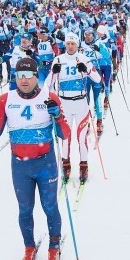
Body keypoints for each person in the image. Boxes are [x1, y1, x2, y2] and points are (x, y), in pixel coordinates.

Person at [0, 57, 70, 260]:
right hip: (20, 166)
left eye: (28, 75)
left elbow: (64, 134)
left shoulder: (49, 98)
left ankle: (53, 247)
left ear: (36, 76)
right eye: (19, 76)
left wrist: (58, 116)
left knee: (50, 206)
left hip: (46, 164)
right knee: (25, 210)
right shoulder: (6, 99)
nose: (23, 80)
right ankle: (29, 247)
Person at [47, 32, 101, 184]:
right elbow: (48, 84)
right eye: (68, 43)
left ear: (77, 44)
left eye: (73, 44)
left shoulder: (84, 58)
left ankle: (83, 165)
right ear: (65, 44)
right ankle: (66, 164)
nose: (70, 46)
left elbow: (97, 79)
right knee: (66, 138)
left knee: (82, 138)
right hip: (64, 104)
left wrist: (86, 70)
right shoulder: (58, 59)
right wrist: (54, 72)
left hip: (81, 103)